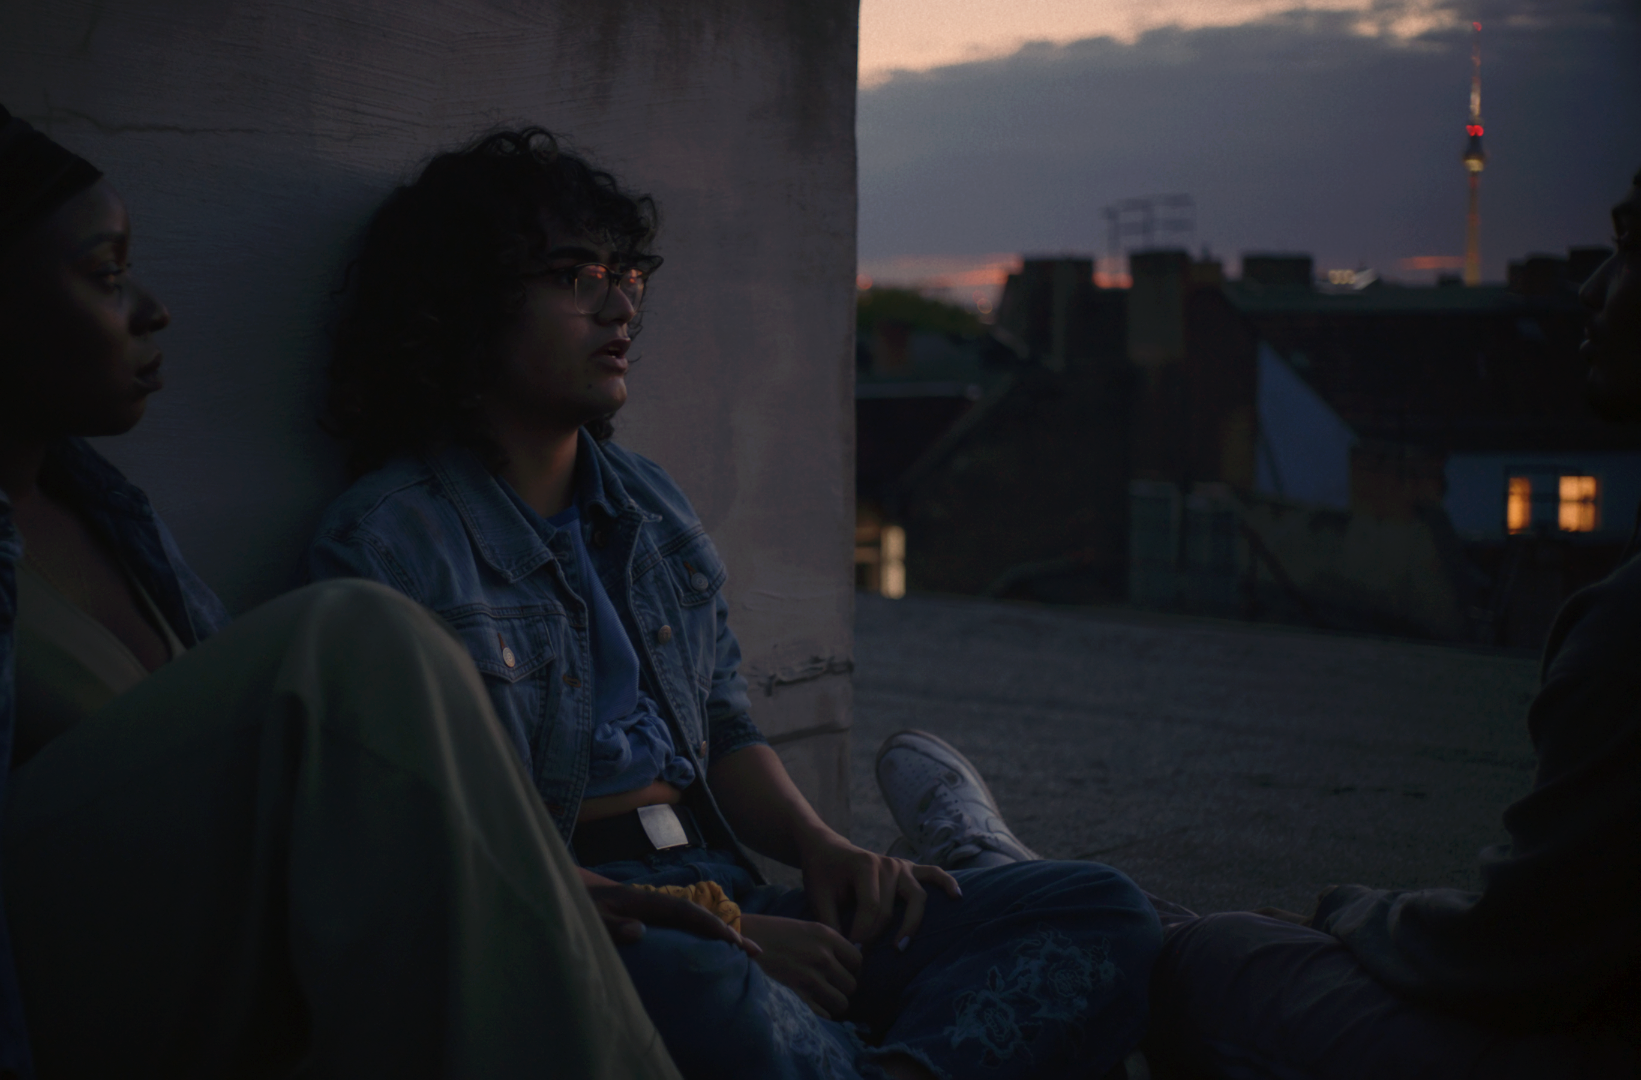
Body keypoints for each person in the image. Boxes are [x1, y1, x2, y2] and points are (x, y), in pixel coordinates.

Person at [0, 90, 702, 1079]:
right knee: (360, 638)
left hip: (182, 960)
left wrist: (523, 883)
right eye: (107, 277)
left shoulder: (107, 513)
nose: (152, 309)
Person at [310, 127, 1163, 1080]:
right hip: (587, 926)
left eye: (628, 274)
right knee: (699, 986)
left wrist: (824, 848)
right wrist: (728, 934)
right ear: (465, 305)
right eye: (576, 275)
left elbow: (722, 726)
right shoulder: (389, 542)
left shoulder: (651, 506)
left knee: (1095, 908)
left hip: (721, 884)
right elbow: (436, 839)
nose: (620, 303)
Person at [1122, 173, 1641, 1078]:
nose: (1593, 286)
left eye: (1633, 248)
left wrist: (1350, 912)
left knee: (1201, 957)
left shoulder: (1625, 631)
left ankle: (1020, 888)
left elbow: (1509, 955)